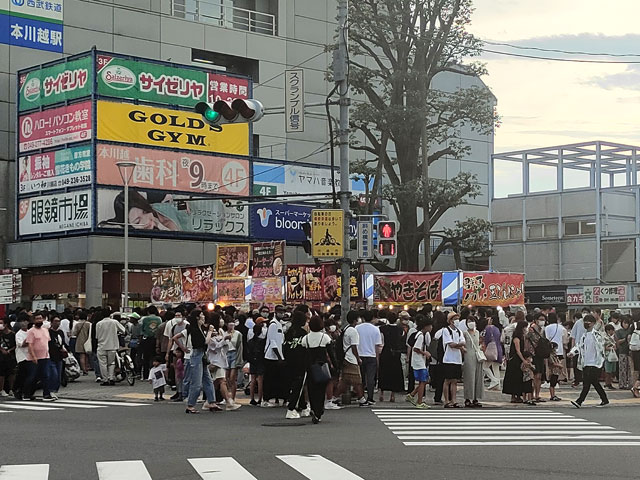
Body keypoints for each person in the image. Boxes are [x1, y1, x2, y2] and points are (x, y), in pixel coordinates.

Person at [571, 314, 609, 408]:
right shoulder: (584, 336)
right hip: (586, 362)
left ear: (593, 323)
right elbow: (579, 346)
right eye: (585, 321)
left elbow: (602, 345)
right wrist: (572, 352)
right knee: (594, 382)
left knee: (587, 382)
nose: (586, 323)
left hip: (595, 362)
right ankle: (604, 399)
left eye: (588, 322)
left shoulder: (597, 335)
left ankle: (579, 401)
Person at [184, 309, 218, 414]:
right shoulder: (194, 330)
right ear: (197, 318)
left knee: (208, 380)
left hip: (201, 355)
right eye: (202, 315)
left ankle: (212, 402)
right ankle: (190, 405)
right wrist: (210, 331)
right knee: (197, 382)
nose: (204, 317)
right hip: (197, 356)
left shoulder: (199, 328)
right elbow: (204, 342)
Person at [302, 315, 333, 424]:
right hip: (322, 367)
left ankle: (314, 408)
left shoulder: (305, 338)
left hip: (310, 367)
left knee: (311, 389)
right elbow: (331, 353)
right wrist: (335, 366)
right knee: (321, 391)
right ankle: (318, 411)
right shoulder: (325, 337)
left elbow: (303, 355)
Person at [205, 322, 241, 411]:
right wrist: (224, 339)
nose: (216, 333)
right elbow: (216, 346)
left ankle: (208, 401)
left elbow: (225, 348)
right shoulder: (210, 340)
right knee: (222, 381)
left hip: (220, 362)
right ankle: (229, 402)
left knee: (215, 383)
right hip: (215, 363)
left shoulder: (219, 338)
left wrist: (225, 339)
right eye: (213, 331)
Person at [335, 310, 367, 406]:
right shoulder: (353, 331)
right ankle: (361, 399)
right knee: (357, 380)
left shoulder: (347, 329)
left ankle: (334, 397)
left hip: (346, 358)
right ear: (355, 320)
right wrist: (358, 358)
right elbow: (354, 347)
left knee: (345, 381)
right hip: (351, 359)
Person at [283, 311, 309, 419]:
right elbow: (306, 349)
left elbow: (285, 347)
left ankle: (303, 407)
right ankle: (291, 408)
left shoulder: (289, 332)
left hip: (289, 362)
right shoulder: (303, 333)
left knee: (297, 384)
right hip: (300, 362)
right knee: (298, 385)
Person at [23, 313, 54, 401]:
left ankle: (46, 394)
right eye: (37, 319)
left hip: (45, 356)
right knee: (32, 377)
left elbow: (46, 342)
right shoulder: (31, 331)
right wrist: (33, 356)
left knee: (46, 375)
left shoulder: (45, 330)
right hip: (34, 357)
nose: (39, 320)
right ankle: (27, 394)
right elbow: (30, 345)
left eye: (40, 319)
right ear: (33, 320)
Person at [355, 309, 383, 405]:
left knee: (361, 378)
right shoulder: (376, 329)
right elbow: (377, 346)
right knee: (370, 379)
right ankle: (370, 398)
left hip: (360, 355)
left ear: (362, 318)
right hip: (371, 356)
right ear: (372, 318)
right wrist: (377, 359)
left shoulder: (357, 328)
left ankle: (361, 397)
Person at [378, 312, 405, 402]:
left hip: (386, 352)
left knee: (383, 372)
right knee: (394, 373)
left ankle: (381, 393)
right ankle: (392, 395)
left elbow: (381, 341)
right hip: (396, 353)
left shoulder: (382, 329)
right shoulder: (400, 329)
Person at [407, 316, 433, 409]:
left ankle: (412, 395)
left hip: (418, 361)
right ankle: (419, 401)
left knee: (425, 380)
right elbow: (416, 348)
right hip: (419, 361)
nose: (431, 328)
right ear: (425, 326)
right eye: (430, 326)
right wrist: (425, 353)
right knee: (423, 381)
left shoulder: (419, 334)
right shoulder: (421, 336)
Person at [262, 313, 287, 407]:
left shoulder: (280, 324)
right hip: (271, 356)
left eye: (283, 311)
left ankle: (278, 398)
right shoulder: (273, 325)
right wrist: (279, 357)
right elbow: (272, 341)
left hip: (279, 356)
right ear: (276, 313)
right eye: (280, 311)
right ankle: (266, 399)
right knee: (269, 379)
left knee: (278, 379)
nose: (282, 313)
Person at [441, 312, 465, 408]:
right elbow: (451, 344)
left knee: (455, 380)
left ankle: (454, 400)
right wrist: (460, 346)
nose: (457, 321)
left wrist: (458, 345)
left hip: (457, 359)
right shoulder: (446, 330)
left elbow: (463, 342)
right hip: (448, 359)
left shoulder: (459, 331)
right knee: (447, 380)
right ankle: (446, 400)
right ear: (450, 320)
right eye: (455, 319)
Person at [502, 320, 529, 403]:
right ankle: (514, 396)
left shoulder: (522, 337)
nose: (525, 329)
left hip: (518, 360)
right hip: (515, 360)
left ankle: (518, 395)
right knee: (514, 378)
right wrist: (523, 360)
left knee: (519, 378)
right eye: (525, 327)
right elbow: (518, 350)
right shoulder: (516, 337)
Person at [95, 312, 125, 386]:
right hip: (112, 346)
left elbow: (97, 336)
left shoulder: (99, 323)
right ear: (110, 315)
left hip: (101, 346)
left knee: (103, 364)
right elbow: (123, 330)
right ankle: (111, 378)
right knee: (111, 363)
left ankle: (105, 380)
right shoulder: (114, 322)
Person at [462, 316, 484, 408]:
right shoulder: (464, 333)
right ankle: (468, 398)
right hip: (468, 356)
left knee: (478, 377)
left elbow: (478, 343)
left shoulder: (478, 332)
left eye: (472, 321)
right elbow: (462, 343)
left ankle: (475, 398)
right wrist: (463, 349)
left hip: (477, 356)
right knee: (469, 377)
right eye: (469, 321)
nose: (470, 323)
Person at [47, 315, 68, 398]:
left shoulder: (60, 332)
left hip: (59, 356)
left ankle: (55, 390)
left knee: (58, 376)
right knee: (54, 374)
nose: (57, 323)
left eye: (58, 321)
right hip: (50, 356)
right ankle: (50, 390)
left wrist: (64, 349)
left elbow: (62, 343)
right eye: (55, 321)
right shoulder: (48, 332)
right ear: (51, 322)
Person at [246, 323, 266, 406]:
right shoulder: (262, 341)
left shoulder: (250, 341)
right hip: (260, 360)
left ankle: (252, 398)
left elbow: (247, 352)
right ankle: (260, 399)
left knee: (253, 380)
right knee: (260, 380)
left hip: (252, 361)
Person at [224, 316, 243, 402]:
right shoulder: (224, 333)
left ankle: (233, 397)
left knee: (232, 377)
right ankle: (228, 395)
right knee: (226, 377)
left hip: (235, 353)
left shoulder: (238, 334)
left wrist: (240, 359)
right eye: (230, 325)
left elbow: (240, 346)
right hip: (226, 354)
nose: (231, 327)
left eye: (233, 325)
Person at [140, 306, 162, 380]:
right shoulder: (159, 319)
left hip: (146, 339)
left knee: (146, 358)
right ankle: (154, 375)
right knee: (154, 357)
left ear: (148, 311)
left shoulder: (145, 319)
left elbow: (142, 329)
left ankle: (146, 376)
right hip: (155, 339)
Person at [482, 315, 503, 390]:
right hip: (498, 349)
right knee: (496, 368)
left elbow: (486, 339)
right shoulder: (497, 329)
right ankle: (497, 386)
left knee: (484, 367)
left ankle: (494, 380)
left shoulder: (488, 328)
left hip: (491, 349)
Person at [13, 316, 31, 400]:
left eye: (25, 321)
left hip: (30, 356)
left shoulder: (30, 332)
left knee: (29, 375)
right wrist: (29, 339)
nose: (24, 323)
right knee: (22, 375)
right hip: (22, 356)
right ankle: (17, 389)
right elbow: (21, 344)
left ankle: (25, 391)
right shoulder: (18, 334)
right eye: (22, 321)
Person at [0, 318, 16, 397]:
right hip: (1, 356)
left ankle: (11, 389)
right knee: (1, 373)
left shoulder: (12, 334)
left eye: (1, 323)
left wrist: (9, 350)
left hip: (10, 356)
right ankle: (1, 389)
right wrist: (2, 349)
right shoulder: (0, 334)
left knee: (11, 373)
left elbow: (15, 345)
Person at [71, 311, 90, 375]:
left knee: (82, 356)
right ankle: (87, 368)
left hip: (79, 341)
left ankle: (84, 370)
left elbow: (74, 333)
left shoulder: (77, 324)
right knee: (87, 356)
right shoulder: (89, 324)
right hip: (88, 341)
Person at [616, 317, 633, 391]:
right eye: (624, 323)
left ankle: (630, 384)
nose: (626, 325)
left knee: (630, 369)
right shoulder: (619, 331)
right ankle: (622, 384)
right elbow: (617, 342)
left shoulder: (631, 331)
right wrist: (625, 339)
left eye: (627, 323)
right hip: (622, 351)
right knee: (622, 368)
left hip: (630, 352)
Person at [603, 324, 618, 390]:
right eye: (612, 330)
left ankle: (609, 383)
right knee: (608, 371)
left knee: (612, 370)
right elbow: (603, 347)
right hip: (607, 355)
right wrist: (610, 348)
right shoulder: (604, 337)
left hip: (612, 355)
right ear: (608, 330)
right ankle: (607, 383)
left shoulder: (612, 337)